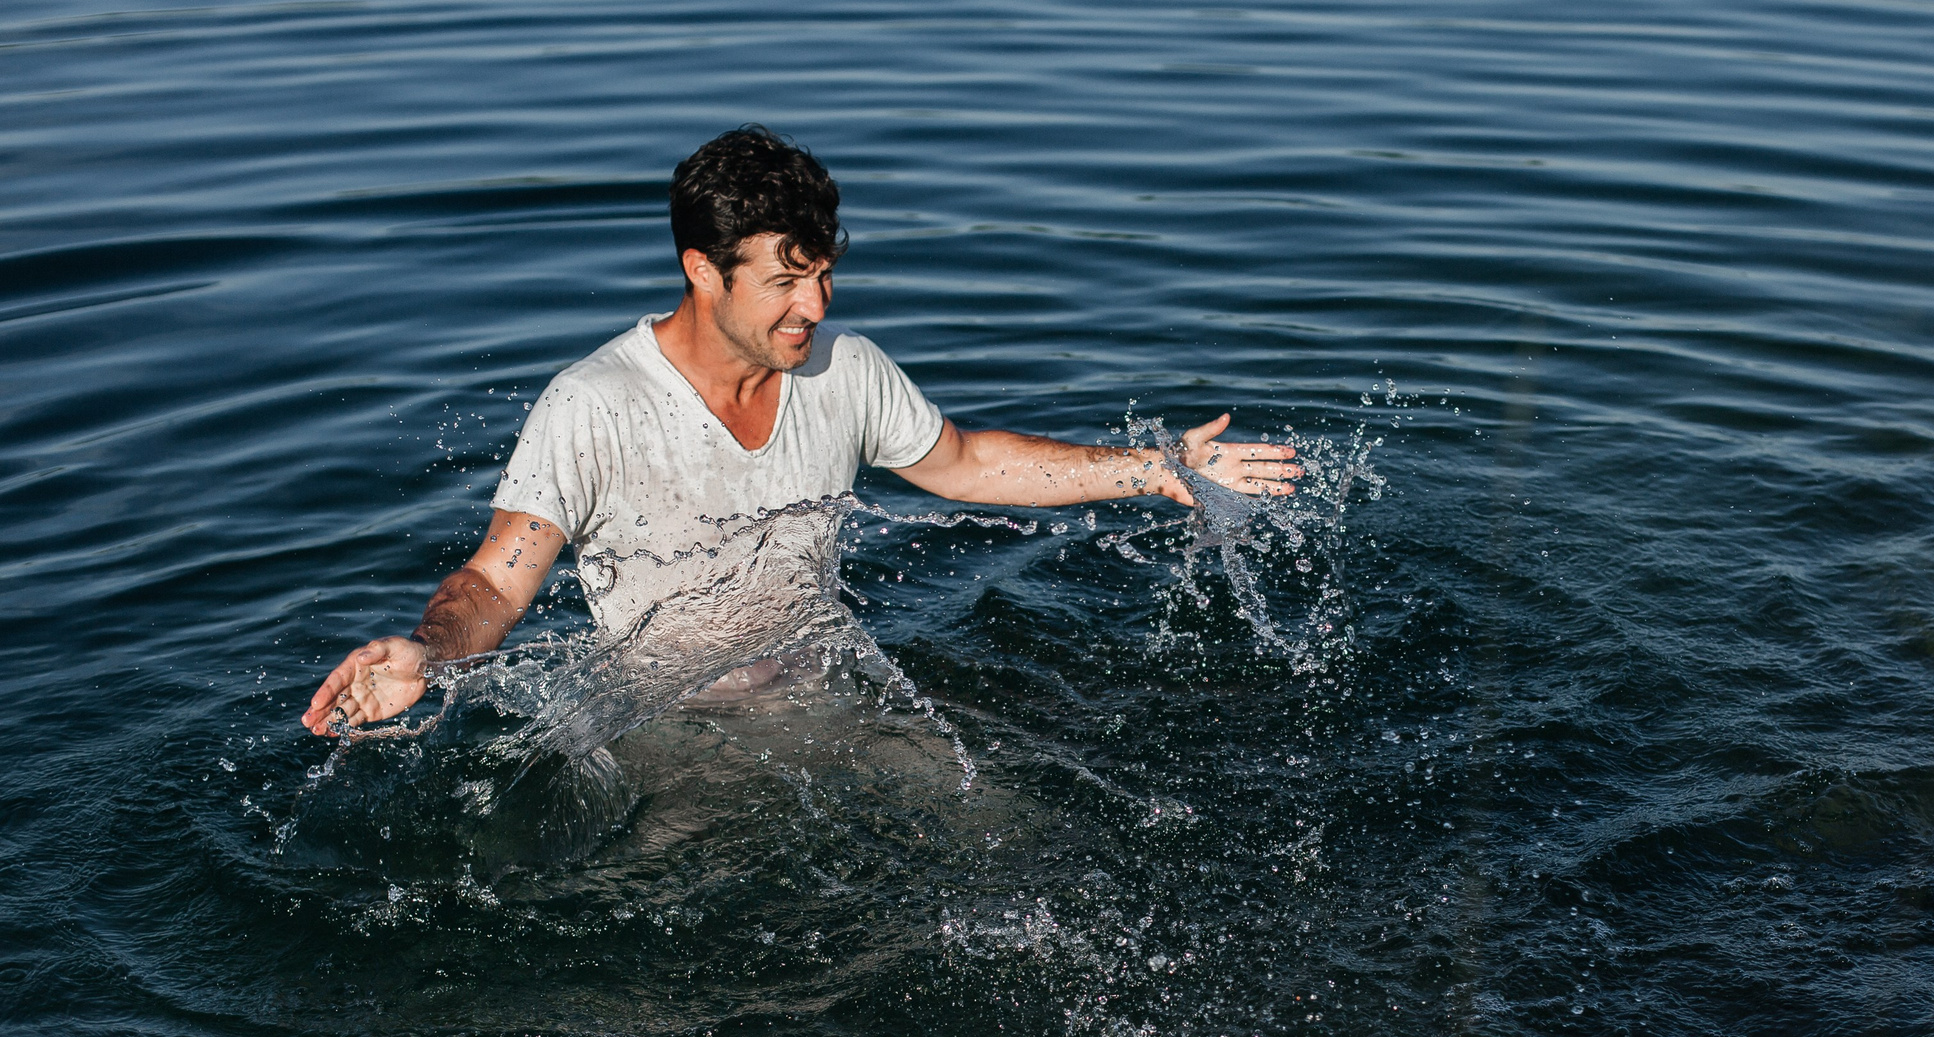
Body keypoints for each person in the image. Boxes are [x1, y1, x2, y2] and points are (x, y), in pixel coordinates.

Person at [303, 126, 1297, 734]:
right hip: (671, 734)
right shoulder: (592, 406)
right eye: (786, 281)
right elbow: (492, 582)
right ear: (704, 271)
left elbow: (962, 463)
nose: (814, 308)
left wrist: (1152, 468)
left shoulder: (843, 371)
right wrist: (430, 658)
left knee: (1006, 846)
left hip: (835, 702)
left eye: (824, 275)